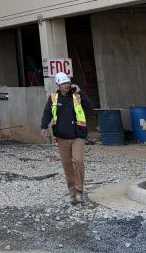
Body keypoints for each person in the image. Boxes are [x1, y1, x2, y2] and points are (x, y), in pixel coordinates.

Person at [40, 72, 93, 204]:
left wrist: (81, 92)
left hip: (78, 135)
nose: (66, 85)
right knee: (67, 164)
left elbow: (89, 107)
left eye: (68, 83)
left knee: (78, 160)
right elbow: (47, 112)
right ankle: (72, 192)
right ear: (58, 84)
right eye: (63, 83)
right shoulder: (53, 98)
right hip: (62, 136)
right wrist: (43, 126)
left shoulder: (76, 96)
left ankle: (80, 190)